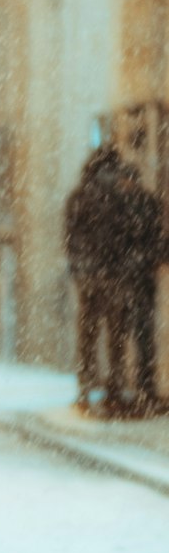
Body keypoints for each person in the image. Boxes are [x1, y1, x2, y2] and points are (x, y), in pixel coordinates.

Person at [64, 144, 135, 416]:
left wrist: (80, 268)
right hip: (115, 276)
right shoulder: (120, 196)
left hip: (88, 277)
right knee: (116, 336)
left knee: (88, 334)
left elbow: (70, 237)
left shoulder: (79, 196)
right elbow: (128, 235)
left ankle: (84, 389)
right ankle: (114, 391)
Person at [120, 163, 166, 415]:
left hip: (127, 276)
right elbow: (159, 237)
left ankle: (131, 388)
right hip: (145, 275)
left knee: (127, 332)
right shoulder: (150, 202)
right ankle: (144, 388)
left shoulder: (122, 205)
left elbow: (115, 241)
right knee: (143, 334)